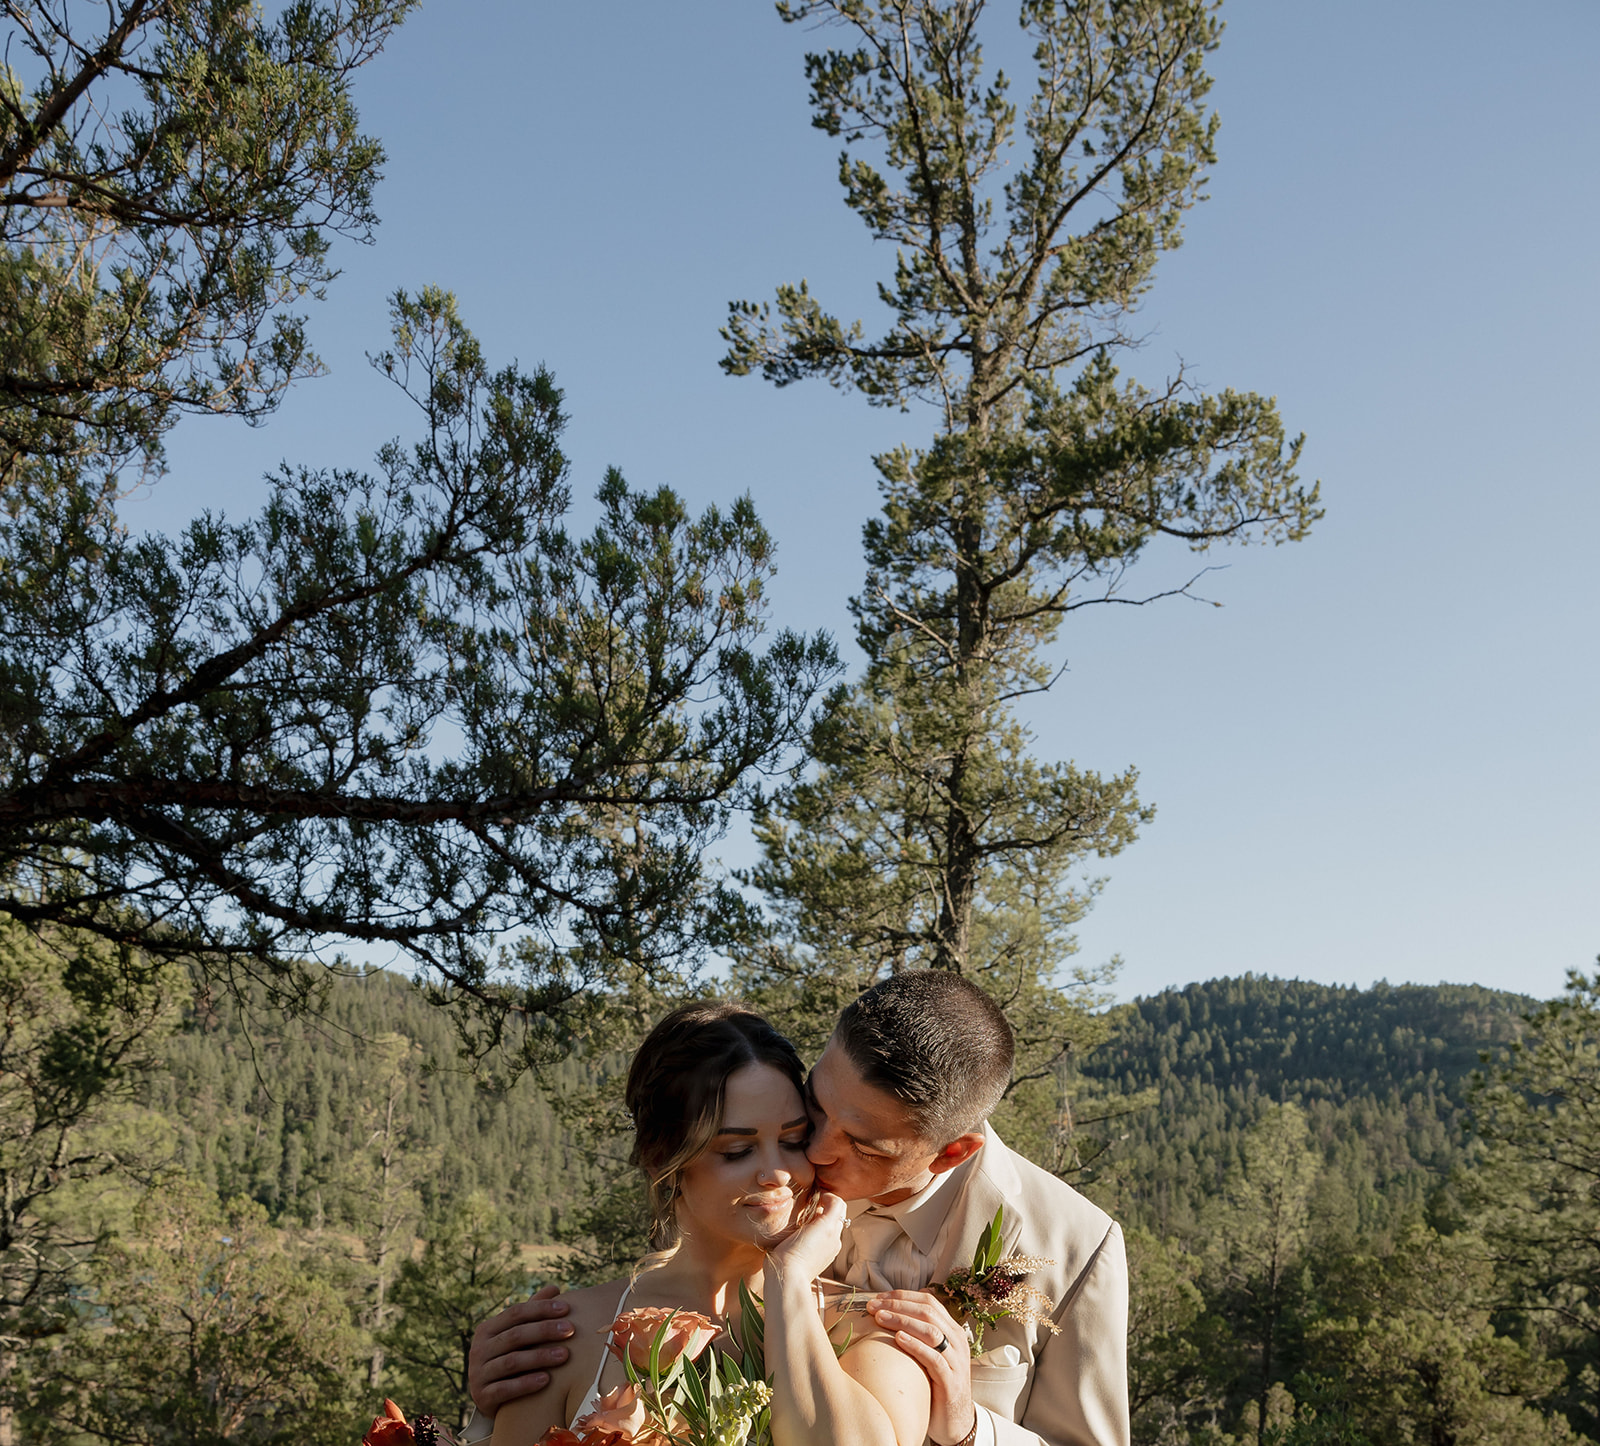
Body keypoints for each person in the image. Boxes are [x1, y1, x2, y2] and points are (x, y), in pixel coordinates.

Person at [471, 974, 1130, 1446]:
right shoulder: (568, 1334)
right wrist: (489, 1396)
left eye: (795, 1137)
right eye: (812, 1113)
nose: (805, 1155)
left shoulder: (1069, 1246)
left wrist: (965, 1430)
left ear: (951, 1150)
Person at [489, 1000, 930, 1446]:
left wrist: (789, 1280)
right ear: (663, 1158)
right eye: (737, 1151)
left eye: (795, 1140)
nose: (777, 1173)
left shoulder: (874, 1325)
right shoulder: (565, 1335)